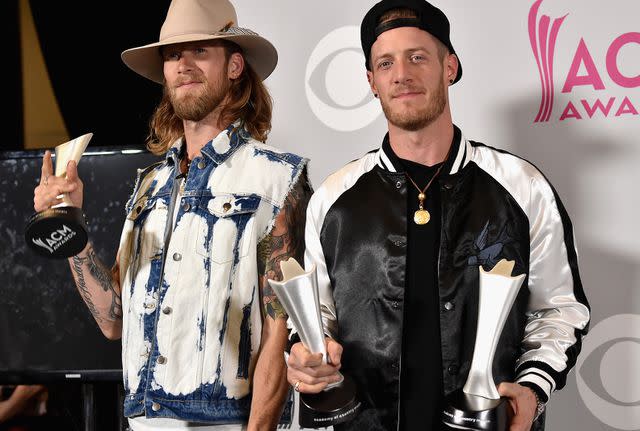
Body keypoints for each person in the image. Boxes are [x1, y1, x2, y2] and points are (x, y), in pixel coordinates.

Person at [285, 0, 591, 430]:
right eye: (385, 63)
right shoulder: (334, 198)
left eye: (417, 57)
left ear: (450, 66)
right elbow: (315, 317)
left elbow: (559, 309)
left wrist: (534, 386)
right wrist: (305, 355)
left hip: (486, 422)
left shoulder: (522, 185)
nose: (402, 74)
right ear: (371, 81)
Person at [33, 0, 311, 429]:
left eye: (200, 51)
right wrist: (70, 223)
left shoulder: (279, 178)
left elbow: (280, 335)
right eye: (172, 54)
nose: (183, 65)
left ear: (235, 66)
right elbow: (113, 322)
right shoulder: (150, 185)